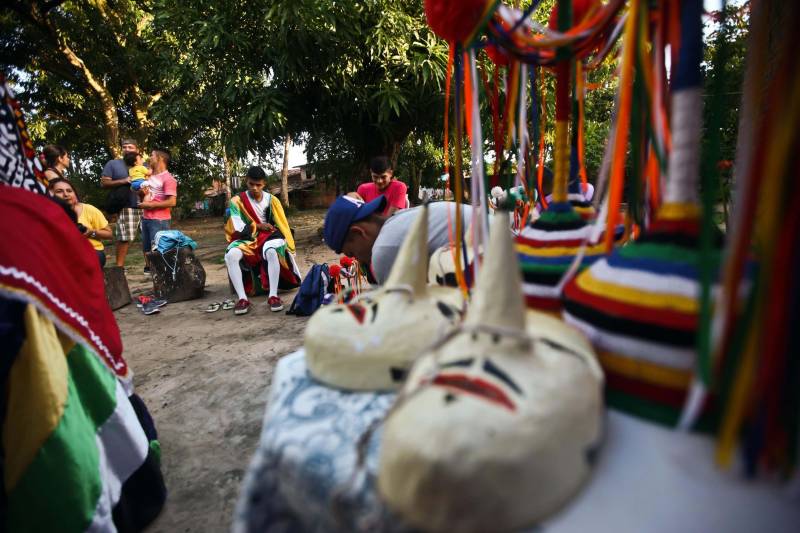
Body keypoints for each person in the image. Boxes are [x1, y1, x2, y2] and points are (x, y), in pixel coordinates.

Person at [323, 195, 473, 285]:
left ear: (358, 232)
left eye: (352, 253)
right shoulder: (401, 219)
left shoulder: (385, 249)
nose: (359, 260)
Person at [224, 166, 302, 315]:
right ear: (246, 181)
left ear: (264, 184)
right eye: (251, 184)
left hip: (270, 235)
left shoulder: (272, 200)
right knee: (231, 255)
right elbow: (236, 225)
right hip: (247, 237)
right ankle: (242, 299)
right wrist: (258, 226)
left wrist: (289, 245)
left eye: (258, 185)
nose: (254, 188)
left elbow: (281, 223)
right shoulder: (236, 201)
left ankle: (273, 295)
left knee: (272, 251)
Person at [49, 177, 113, 267]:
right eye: (59, 191)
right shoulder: (47, 213)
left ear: (75, 193)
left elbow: (109, 234)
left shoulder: (89, 209)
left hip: (92, 251)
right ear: (50, 194)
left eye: (69, 191)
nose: (66, 194)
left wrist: (91, 232)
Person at [100, 139, 142, 268]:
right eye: (125, 147)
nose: (127, 149)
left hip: (148, 205)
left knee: (150, 238)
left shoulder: (144, 165)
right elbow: (104, 183)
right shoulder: (113, 164)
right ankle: (119, 268)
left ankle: (150, 267)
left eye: (130, 147)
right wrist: (124, 180)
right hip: (127, 206)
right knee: (124, 238)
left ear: (137, 150)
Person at [139, 149, 177, 270]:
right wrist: (142, 194)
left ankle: (165, 284)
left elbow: (172, 202)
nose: (149, 158)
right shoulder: (149, 177)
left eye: (151, 155)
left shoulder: (168, 178)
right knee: (147, 251)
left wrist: (150, 205)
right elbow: (145, 197)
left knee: (160, 253)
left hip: (159, 221)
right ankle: (156, 283)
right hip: (146, 219)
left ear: (160, 158)